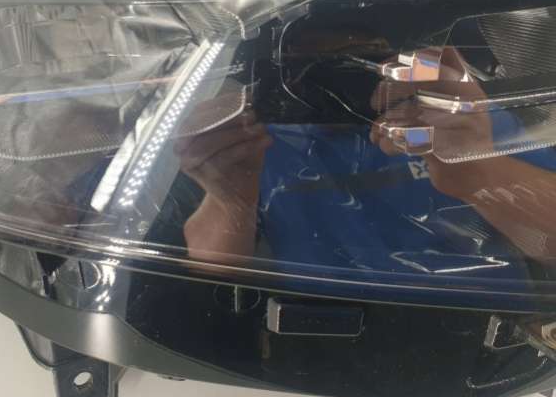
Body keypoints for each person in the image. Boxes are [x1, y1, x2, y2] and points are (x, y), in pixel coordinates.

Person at [177, 47, 556, 289]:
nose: (336, 82)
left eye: (359, 58)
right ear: (272, 72)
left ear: (395, 59)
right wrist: (230, 201)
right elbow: (212, 281)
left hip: (484, 330)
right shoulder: (244, 138)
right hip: (313, 334)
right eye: (307, 65)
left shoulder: (452, 114)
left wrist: (479, 168)